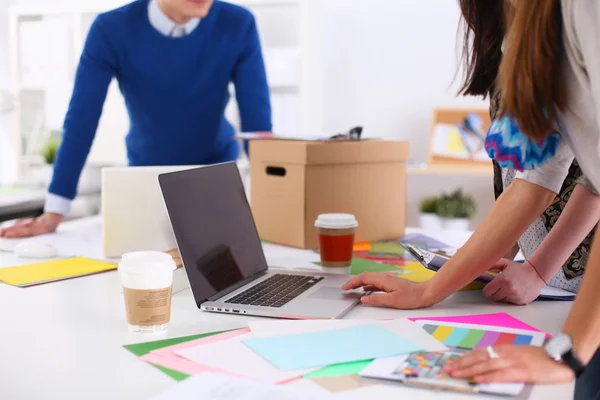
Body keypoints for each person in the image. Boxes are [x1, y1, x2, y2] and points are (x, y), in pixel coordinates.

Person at [0, 0, 271, 238]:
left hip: (215, 181)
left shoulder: (238, 24)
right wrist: (53, 213)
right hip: (146, 181)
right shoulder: (111, 29)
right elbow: (82, 117)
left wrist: (275, 201)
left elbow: (257, 122)